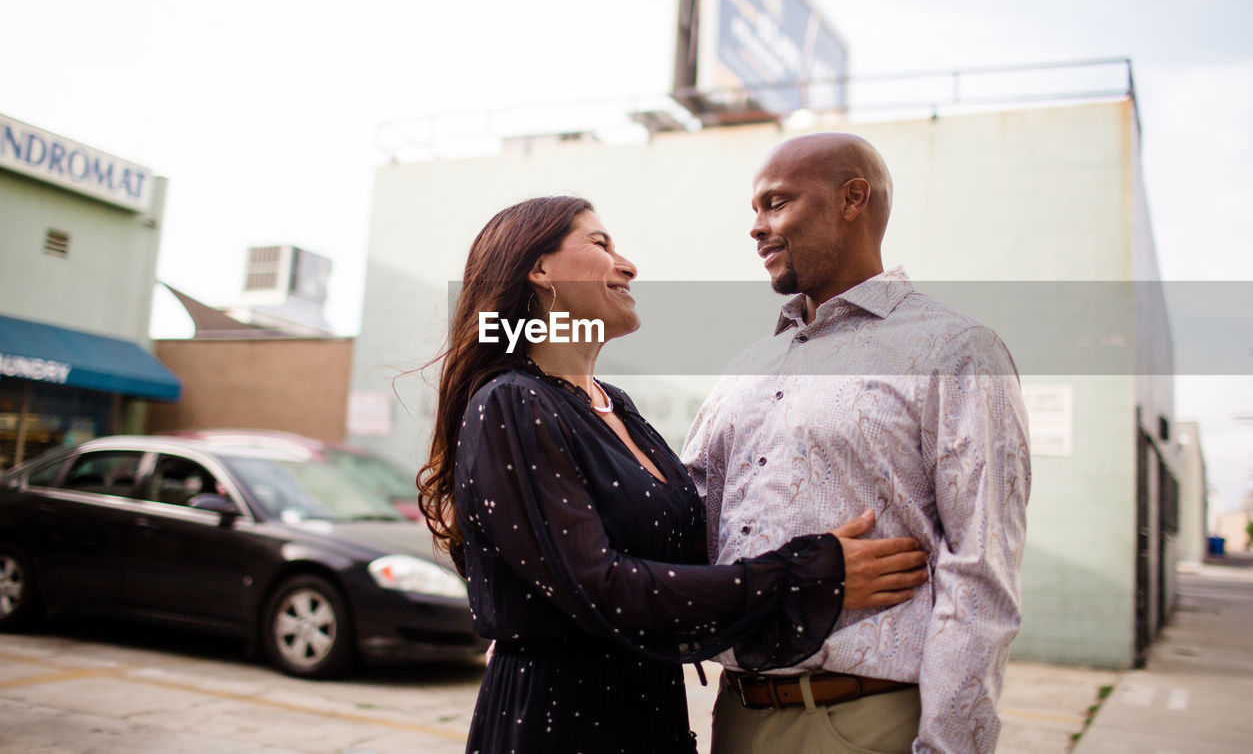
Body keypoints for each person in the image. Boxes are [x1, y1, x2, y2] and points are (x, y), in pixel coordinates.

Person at [418, 195, 931, 754]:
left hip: (648, 716)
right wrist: (807, 575)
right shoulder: (512, 403)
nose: (628, 265)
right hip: (561, 723)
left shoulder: (616, 406)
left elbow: (688, 557)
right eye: (599, 244)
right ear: (540, 271)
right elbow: (600, 586)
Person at [682, 133, 1032, 754]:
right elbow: (686, 524)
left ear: (852, 199)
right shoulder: (747, 366)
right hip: (735, 718)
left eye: (776, 203)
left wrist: (950, 746)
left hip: (861, 722)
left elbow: (980, 572)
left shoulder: (955, 349)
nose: (757, 228)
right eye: (755, 211)